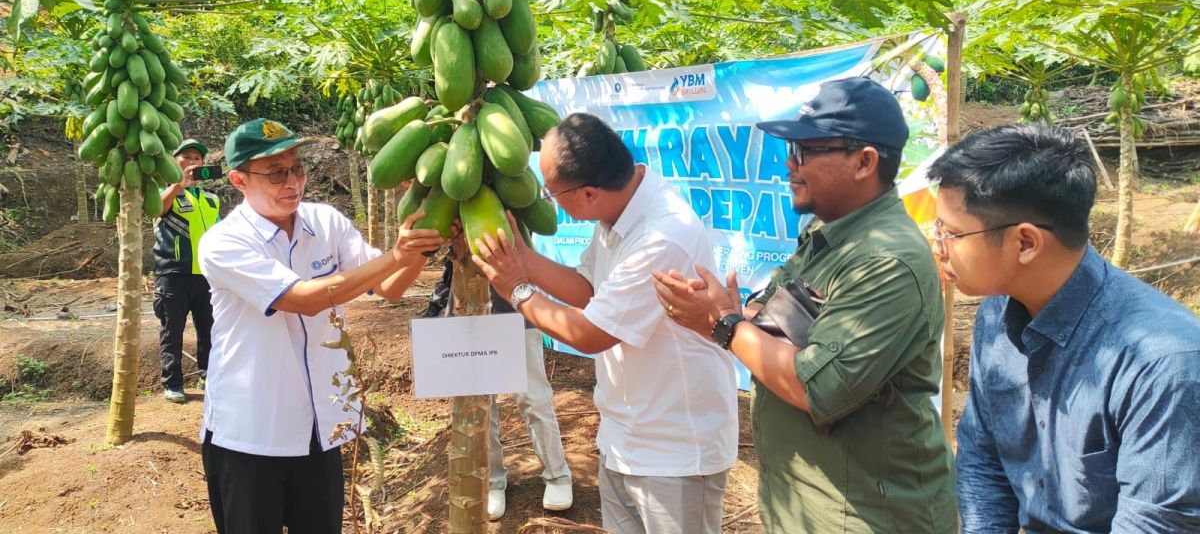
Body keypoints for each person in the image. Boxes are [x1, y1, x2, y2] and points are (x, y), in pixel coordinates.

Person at [653, 76, 957, 533]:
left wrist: (726, 324)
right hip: (808, 507)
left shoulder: (886, 260)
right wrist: (722, 317)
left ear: (864, 162)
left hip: (867, 517)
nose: (789, 165)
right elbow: (774, 324)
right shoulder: (828, 233)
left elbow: (818, 390)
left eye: (805, 151)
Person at [471, 112, 738, 534]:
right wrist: (521, 258)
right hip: (624, 438)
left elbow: (589, 334)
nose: (550, 203)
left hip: (675, 452)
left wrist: (517, 290)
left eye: (553, 194)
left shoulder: (662, 236)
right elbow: (589, 288)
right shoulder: (617, 214)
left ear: (589, 193)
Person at [928, 123, 1200, 533]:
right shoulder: (996, 314)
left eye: (950, 233)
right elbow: (984, 460)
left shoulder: (1162, 363)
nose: (938, 247)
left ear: (1025, 243)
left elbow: (1154, 523)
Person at [198, 118, 449, 534]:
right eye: (276, 173)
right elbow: (304, 299)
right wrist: (395, 253)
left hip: (320, 427)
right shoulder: (225, 242)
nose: (292, 182)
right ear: (238, 179)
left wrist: (420, 246)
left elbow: (388, 286)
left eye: (297, 168)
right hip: (251, 433)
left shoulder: (326, 222)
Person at [422, 257, 574, 520]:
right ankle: (492, 481)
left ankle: (557, 475)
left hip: (517, 313)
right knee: (480, 403)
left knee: (534, 398)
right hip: (466, 313)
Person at [152, 138, 220, 403]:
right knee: (173, 330)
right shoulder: (163, 192)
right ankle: (173, 383)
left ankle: (208, 376)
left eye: (198, 158)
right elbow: (158, 209)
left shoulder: (211, 199)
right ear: (174, 161)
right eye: (187, 157)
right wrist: (177, 184)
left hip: (207, 276)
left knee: (209, 329)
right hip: (174, 274)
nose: (193, 162)